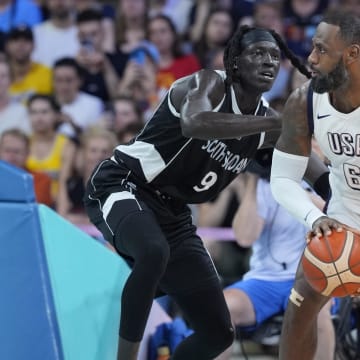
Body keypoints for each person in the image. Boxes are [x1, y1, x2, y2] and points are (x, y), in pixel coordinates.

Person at [84, 25, 327, 360]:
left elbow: (316, 171)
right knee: (154, 252)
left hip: (174, 214)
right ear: (236, 63)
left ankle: (132, 290)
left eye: (275, 56)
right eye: (258, 53)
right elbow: (195, 122)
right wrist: (275, 126)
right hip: (125, 183)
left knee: (219, 333)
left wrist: (343, 196)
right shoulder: (207, 83)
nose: (269, 61)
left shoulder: (268, 124)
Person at [269, 10, 360, 360]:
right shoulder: (303, 101)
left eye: (322, 50)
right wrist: (313, 217)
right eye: (312, 48)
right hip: (344, 216)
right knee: (300, 306)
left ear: (351, 54)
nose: (311, 59)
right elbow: (282, 178)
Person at [216, 167, 334, 360]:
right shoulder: (265, 184)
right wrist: (252, 182)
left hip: (315, 279)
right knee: (221, 309)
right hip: (265, 280)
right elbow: (245, 238)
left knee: (318, 315)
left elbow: (336, 222)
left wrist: (293, 190)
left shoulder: (332, 181)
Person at [0, 128, 52, 206]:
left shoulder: (40, 179)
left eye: (17, 152)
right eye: (7, 150)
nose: (12, 156)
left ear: (27, 153)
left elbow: (33, 208)